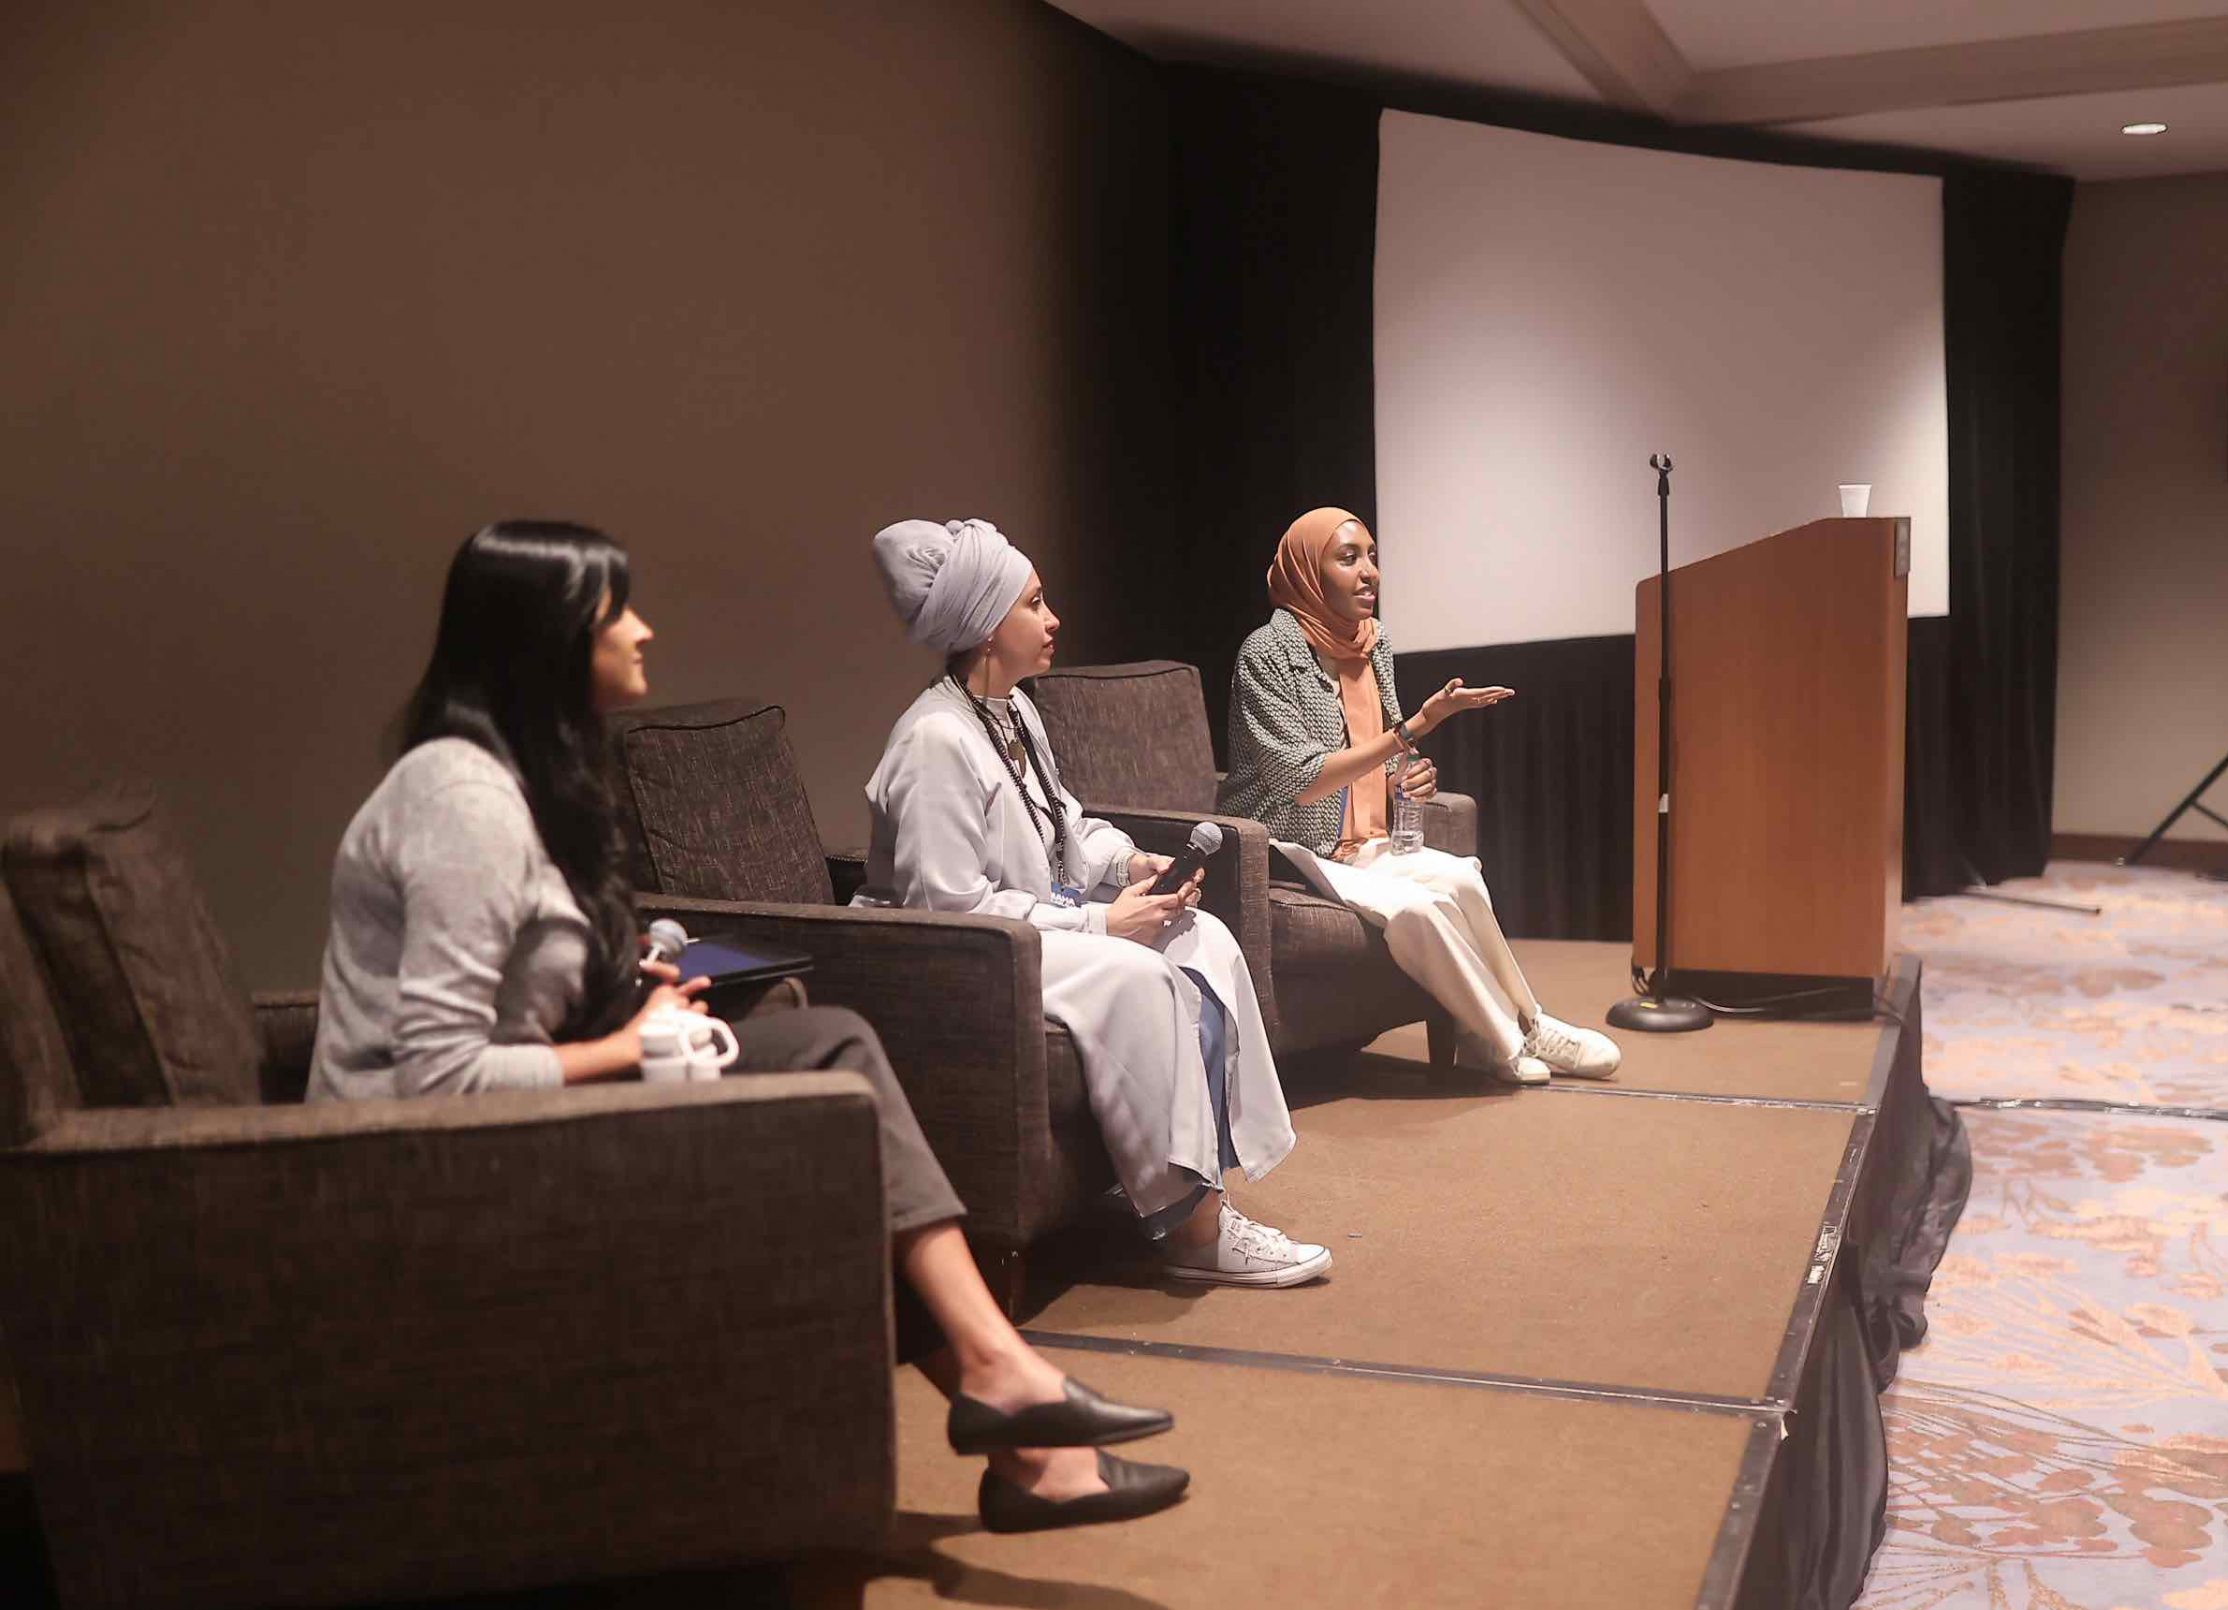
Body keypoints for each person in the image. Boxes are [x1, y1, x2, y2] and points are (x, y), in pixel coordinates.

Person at [308, 521, 1184, 1535]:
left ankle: (1024, 1433)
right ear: (546, 638)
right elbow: (432, 1078)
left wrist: (639, 971)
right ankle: (1011, 1397)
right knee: (828, 1074)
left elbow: (523, 975)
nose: (643, 629)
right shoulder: (457, 800)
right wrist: (627, 1047)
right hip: (420, 1169)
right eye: (614, 610)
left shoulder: (527, 784)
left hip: (517, 1121)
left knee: (825, 1053)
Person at [860, 518, 1330, 1288]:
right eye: (1034, 603)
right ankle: (1194, 1230)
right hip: (967, 957)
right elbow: (946, 911)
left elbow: (1066, 825)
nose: (1054, 620)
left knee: (1200, 935)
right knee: (1139, 975)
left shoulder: (1012, 711)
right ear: (984, 624)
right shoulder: (933, 741)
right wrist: (1100, 923)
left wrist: (1133, 862)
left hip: (1031, 929)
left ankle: (1206, 1179)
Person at [1219, 506, 1622, 1086]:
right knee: (1416, 910)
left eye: (1373, 557)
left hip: (1364, 841)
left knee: (1463, 878)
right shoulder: (1266, 653)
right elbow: (1298, 781)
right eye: (1348, 558)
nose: (1369, 573)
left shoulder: (1371, 644)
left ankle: (1531, 1022)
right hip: (1286, 847)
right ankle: (1501, 1041)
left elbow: (1378, 749)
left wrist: (1405, 775)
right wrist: (1409, 732)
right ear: (1308, 571)